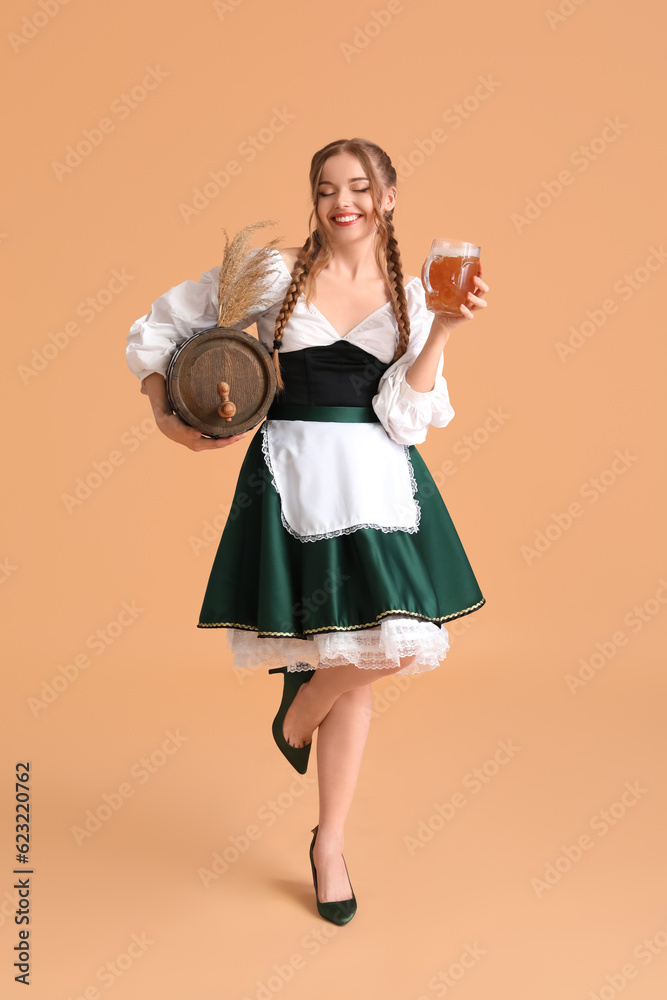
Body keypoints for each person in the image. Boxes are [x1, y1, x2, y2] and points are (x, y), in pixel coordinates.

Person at [126, 137, 489, 925]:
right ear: (315, 200)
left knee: (379, 647)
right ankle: (330, 846)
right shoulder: (268, 272)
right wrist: (165, 418)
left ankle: (296, 718)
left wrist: (445, 328)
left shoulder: (419, 290)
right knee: (351, 656)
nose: (342, 202)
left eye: (359, 187)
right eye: (326, 189)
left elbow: (407, 415)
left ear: (388, 196)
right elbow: (155, 332)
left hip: (379, 480)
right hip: (291, 473)